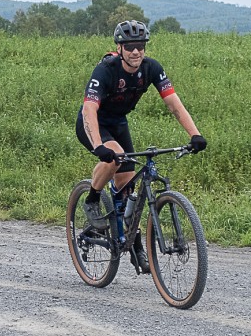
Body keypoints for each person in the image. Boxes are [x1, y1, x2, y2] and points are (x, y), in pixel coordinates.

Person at [76, 20, 206, 273]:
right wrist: (99, 145)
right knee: (115, 158)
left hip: (118, 123)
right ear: (120, 47)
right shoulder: (106, 69)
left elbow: (174, 104)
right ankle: (92, 199)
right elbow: (90, 109)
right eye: (130, 46)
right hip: (92, 123)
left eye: (141, 46)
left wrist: (195, 135)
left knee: (127, 186)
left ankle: (134, 244)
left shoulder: (151, 68)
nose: (136, 52)